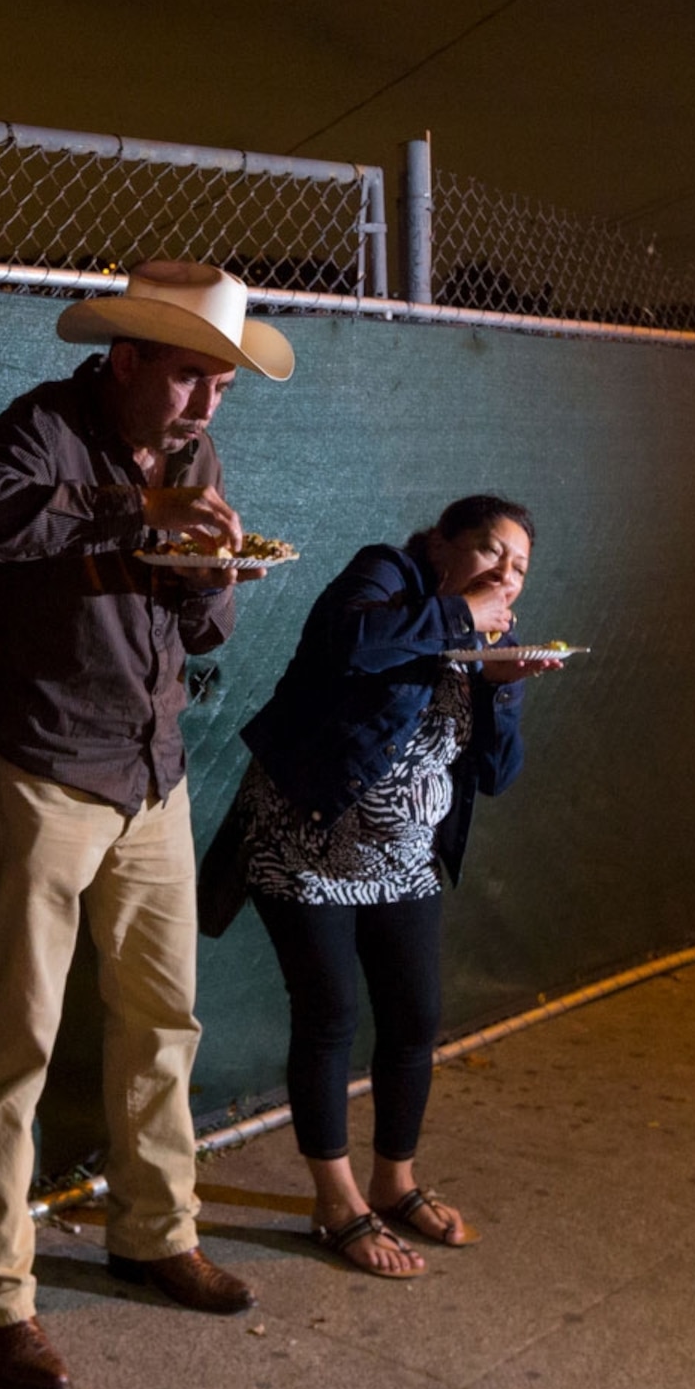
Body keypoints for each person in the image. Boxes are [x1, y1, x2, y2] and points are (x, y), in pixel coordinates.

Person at [0, 260, 294, 1389]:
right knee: (16, 1040)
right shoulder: (46, 423)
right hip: (41, 765)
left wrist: (212, 570)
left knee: (161, 1018)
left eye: (224, 388)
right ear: (127, 359)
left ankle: (156, 1230)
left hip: (153, 774)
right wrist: (138, 510)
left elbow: (203, 622)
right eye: (191, 379)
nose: (205, 407)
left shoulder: (196, 455)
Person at [224, 495, 563, 1279]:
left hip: (404, 856)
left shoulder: (488, 636)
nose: (504, 578)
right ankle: (336, 1201)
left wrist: (504, 685)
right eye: (488, 553)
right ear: (442, 545)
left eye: (517, 570)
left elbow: (497, 774)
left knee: (415, 1016)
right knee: (330, 1016)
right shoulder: (386, 576)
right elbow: (348, 645)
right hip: (304, 838)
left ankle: (394, 1181)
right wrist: (459, 616)